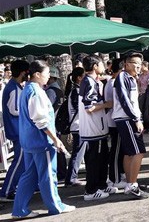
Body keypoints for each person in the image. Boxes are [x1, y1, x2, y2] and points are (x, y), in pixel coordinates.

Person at [11, 60, 75, 219]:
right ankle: (56, 206)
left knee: (30, 175)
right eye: (47, 74)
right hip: (41, 141)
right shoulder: (36, 92)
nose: (49, 77)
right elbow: (40, 120)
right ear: (37, 74)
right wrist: (55, 139)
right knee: (48, 175)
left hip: (29, 141)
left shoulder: (27, 89)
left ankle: (19, 210)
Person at [113, 52, 149, 199]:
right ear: (126, 64)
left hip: (128, 118)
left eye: (140, 64)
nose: (138, 67)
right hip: (127, 119)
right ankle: (132, 185)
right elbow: (124, 99)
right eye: (135, 63)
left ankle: (130, 183)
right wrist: (136, 119)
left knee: (129, 153)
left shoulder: (131, 78)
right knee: (138, 152)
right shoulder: (123, 77)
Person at [79, 55, 114, 200]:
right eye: (101, 64)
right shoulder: (89, 82)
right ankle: (91, 190)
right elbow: (90, 107)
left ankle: (101, 184)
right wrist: (107, 104)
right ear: (94, 66)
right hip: (94, 129)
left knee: (101, 158)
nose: (104, 66)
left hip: (97, 128)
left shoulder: (91, 81)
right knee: (95, 160)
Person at [0, 60, 29, 201]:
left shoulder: (13, 86)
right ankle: (6, 191)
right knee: (19, 161)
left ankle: (10, 188)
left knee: (21, 161)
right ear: (23, 72)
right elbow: (15, 109)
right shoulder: (14, 88)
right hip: (18, 130)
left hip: (17, 129)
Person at [104, 59, 127, 189]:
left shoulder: (112, 82)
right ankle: (115, 178)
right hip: (114, 121)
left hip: (114, 120)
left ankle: (118, 174)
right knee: (116, 150)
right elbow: (112, 102)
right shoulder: (113, 82)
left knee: (118, 150)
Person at [64, 67, 87, 187]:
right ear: (79, 78)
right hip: (78, 126)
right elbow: (80, 108)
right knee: (78, 153)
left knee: (79, 152)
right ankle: (71, 178)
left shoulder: (76, 91)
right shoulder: (77, 91)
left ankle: (72, 177)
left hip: (79, 125)